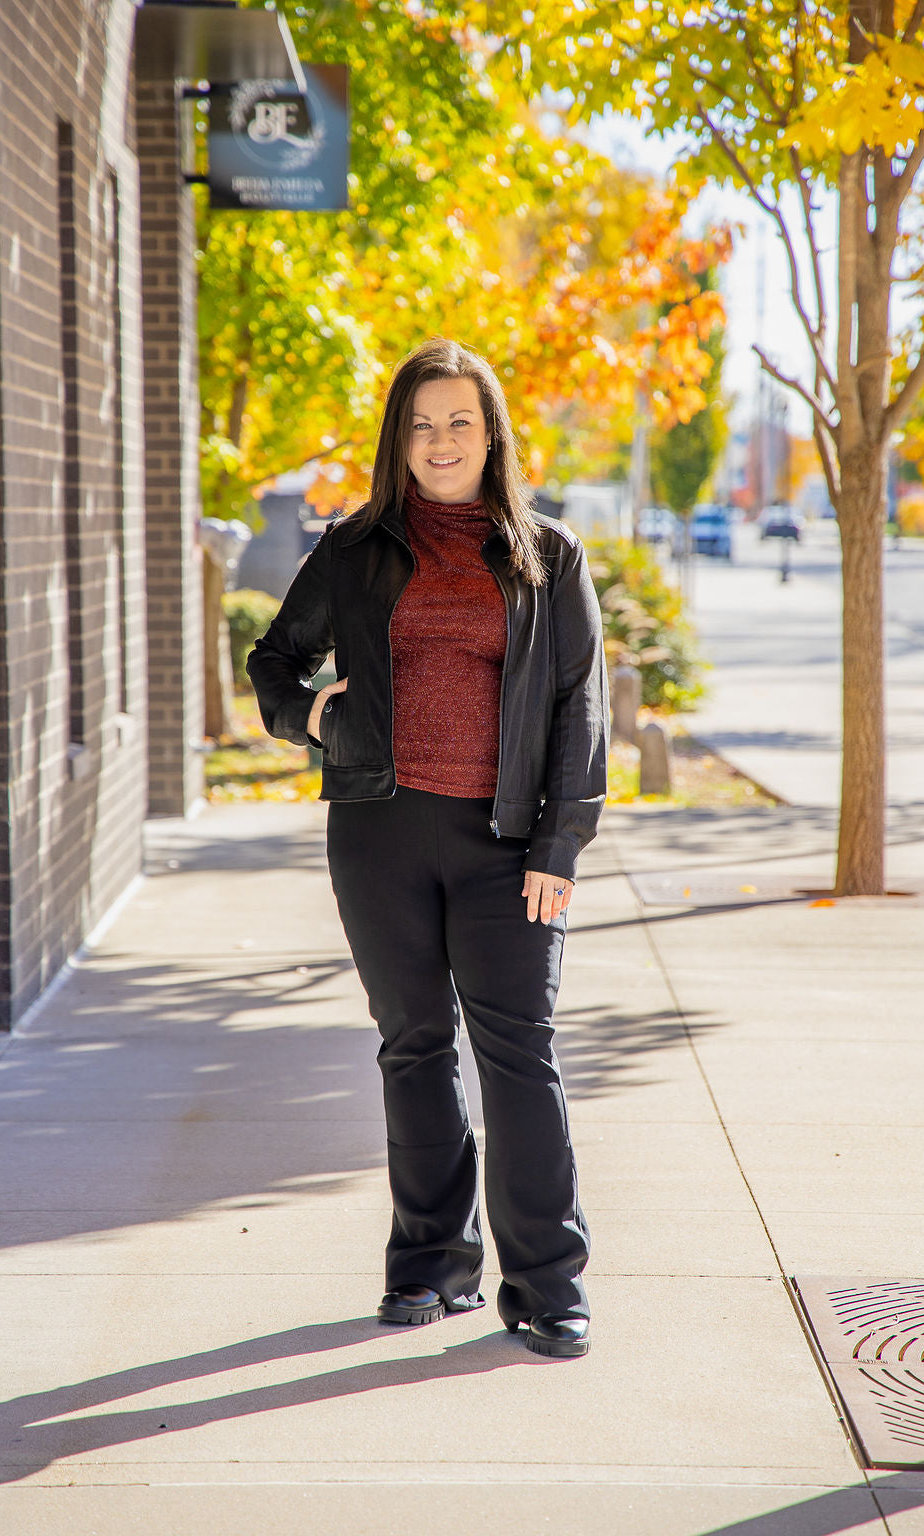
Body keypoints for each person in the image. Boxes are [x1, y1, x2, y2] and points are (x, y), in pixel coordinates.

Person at [247, 338, 608, 1359]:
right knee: (412, 1045)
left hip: (507, 847)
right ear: (396, 439)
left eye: (460, 420)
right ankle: (428, 1267)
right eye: (421, 422)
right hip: (379, 831)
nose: (441, 440)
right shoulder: (354, 545)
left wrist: (559, 843)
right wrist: (308, 717)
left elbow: (583, 704)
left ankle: (547, 1286)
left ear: (491, 433)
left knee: (520, 1057)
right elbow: (275, 658)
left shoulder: (547, 553)